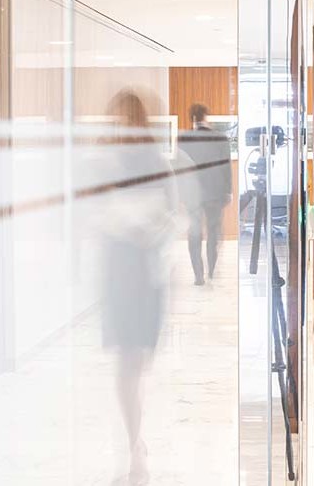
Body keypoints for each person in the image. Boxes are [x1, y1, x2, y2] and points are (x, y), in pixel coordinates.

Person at [100, 89, 176, 486]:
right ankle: (134, 445)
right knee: (127, 360)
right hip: (120, 271)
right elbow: (94, 213)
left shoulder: (156, 163)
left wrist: (148, 228)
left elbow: (170, 214)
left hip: (146, 273)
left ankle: (136, 439)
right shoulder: (107, 163)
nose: (123, 127)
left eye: (128, 119)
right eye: (118, 120)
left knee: (140, 360)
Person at [179, 103, 232, 285]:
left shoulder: (183, 139)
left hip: (192, 193)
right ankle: (211, 269)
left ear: (192, 117)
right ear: (206, 116)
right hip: (215, 193)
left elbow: (180, 169)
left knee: (194, 233)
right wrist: (228, 190)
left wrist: (181, 193)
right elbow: (226, 167)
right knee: (213, 231)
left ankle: (198, 276)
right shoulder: (220, 138)